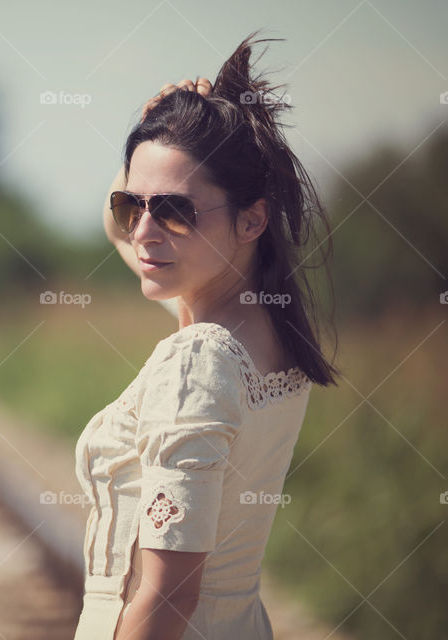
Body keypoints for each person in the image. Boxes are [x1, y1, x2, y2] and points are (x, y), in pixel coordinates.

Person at [73, 29, 341, 640]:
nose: (143, 231)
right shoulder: (260, 329)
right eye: (130, 205)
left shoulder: (199, 359)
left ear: (252, 219)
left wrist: (160, 132)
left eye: (174, 210)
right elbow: (127, 235)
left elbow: (167, 596)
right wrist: (160, 128)